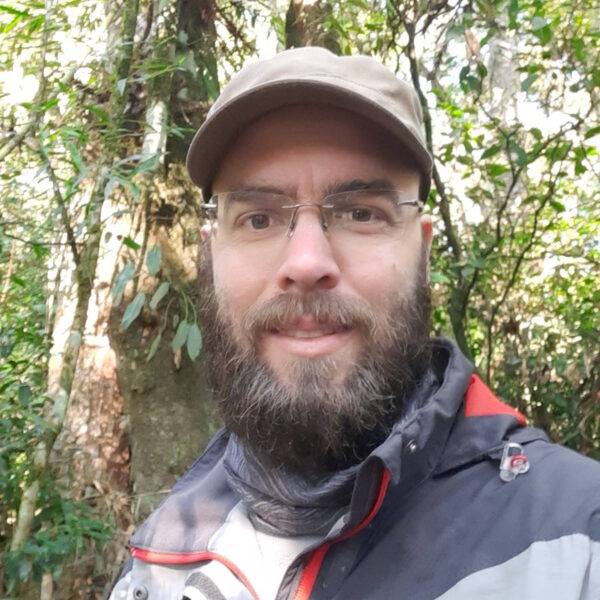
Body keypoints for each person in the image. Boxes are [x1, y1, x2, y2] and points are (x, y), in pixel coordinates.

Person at [109, 47, 600, 600]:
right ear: (211, 253)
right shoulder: (156, 563)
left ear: (422, 252)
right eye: (258, 218)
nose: (306, 263)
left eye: (361, 213)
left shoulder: (576, 543)